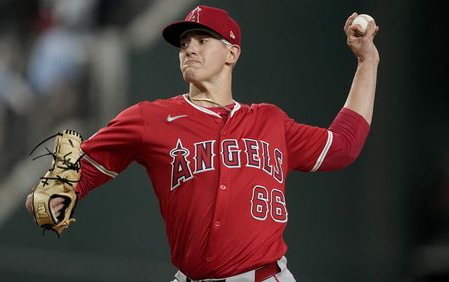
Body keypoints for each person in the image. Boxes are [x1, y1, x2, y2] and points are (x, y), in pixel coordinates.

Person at [26, 5, 379, 282]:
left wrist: (368, 60)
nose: (189, 49)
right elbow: (78, 175)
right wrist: (52, 195)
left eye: (201, 40)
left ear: (232, 54)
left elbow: (343, 145)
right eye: (184, 43)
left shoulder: (270, 121)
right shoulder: (149, 119)